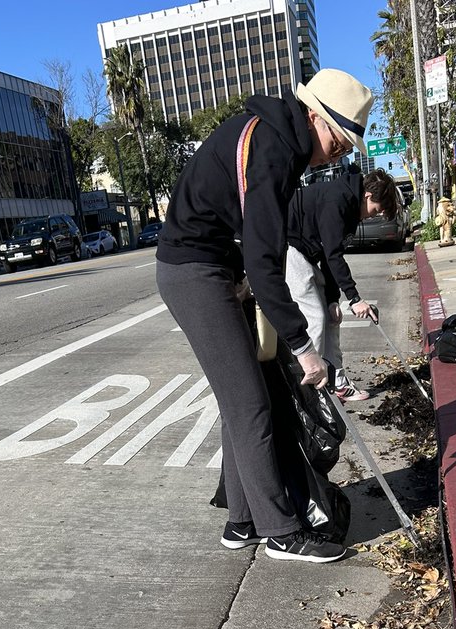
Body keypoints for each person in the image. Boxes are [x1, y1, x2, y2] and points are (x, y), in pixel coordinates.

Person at [156, 69, 373, 563]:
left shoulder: (281, 140)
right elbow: (263, 256)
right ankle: (280, 531)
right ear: (315, 115)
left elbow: (261, 248)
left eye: (346, 149)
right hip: (194, 272)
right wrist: (303, 347)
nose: (338, 152)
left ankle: (242, 521)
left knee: (243, 398)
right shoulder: (274, 147)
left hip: (215, 267)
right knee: (253, 404)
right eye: (338, 140)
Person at [285, 168, 399, 402]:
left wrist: (333, 299)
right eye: (376, 210)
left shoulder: (350, 207)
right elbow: (333, 254)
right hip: (286, 247)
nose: (373, 216)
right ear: (368, 196)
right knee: (314, 319)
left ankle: (337, 381)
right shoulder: (337, 200)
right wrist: (354, 298)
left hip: (306, 252)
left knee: (331, 316)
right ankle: (309, 394)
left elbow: (329, 257)